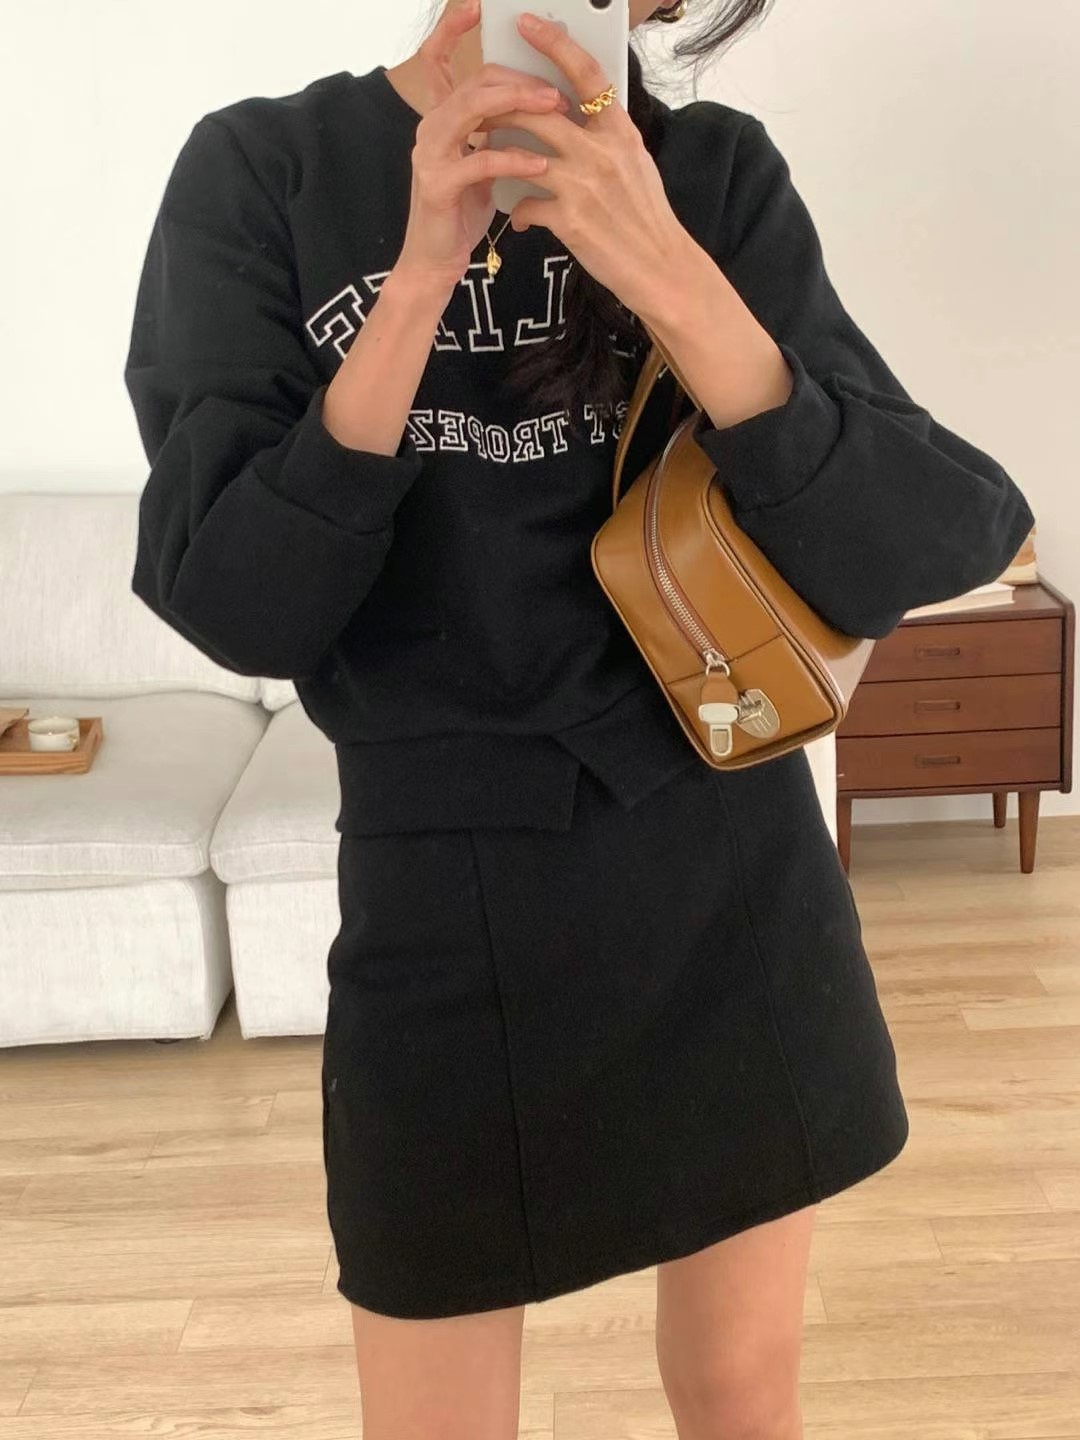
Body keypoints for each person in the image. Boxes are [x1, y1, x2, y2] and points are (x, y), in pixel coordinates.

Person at [123, 0, 1035, 1435]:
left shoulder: (710, 174)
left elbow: (925, 538)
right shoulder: (263, 170)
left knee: (743, 1395)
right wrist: (423, 274)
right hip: (443, 895)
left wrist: (669, 271)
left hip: (726, 874)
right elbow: (239, 602)